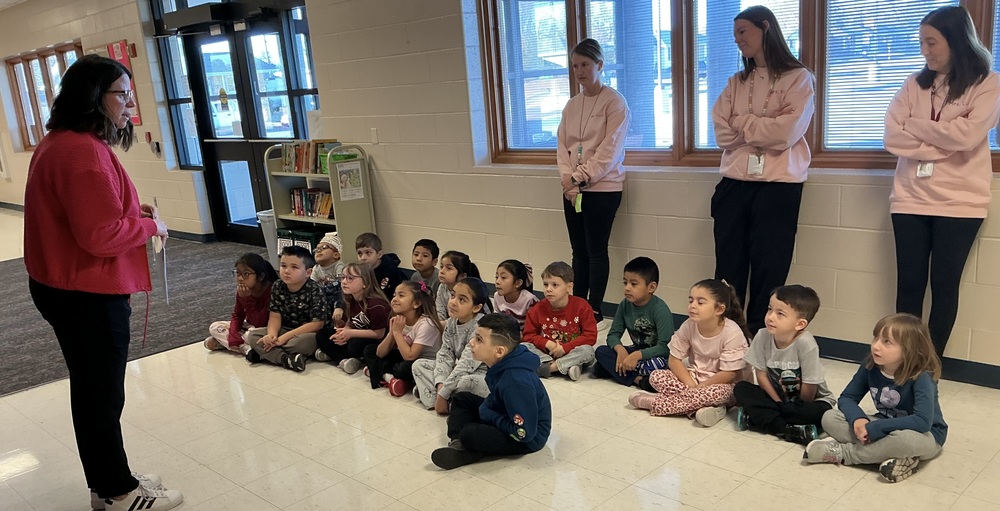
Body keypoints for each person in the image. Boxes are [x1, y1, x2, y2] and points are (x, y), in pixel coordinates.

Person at [24, 55, 183, 510]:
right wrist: (150, 228)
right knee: (101, 395)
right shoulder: (82, 153)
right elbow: (99, 236)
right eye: (121, 94)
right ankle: (118, 492)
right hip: (86, 292)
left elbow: (92, 214)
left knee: (92, 390)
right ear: (93, 97)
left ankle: (108, 481)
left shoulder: (62, 141)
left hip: (64, 286)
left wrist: (134, 213)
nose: (129, 104)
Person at [883, 5, 1000, 359]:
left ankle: (928, 369)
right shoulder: (913, 84)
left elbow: (967, 136)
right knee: (909, 287)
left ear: (956, 40)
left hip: (961, 203)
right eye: (921, 42)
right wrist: (942, 139)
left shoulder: (988, 84)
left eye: (932, 42)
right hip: (910, 199)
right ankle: (899, 362)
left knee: (945, 287)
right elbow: (892, 135)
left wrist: (916, 127)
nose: (925, 50)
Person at [710, 5, 816, 335]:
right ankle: (727, 334)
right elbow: (721, 132)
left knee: (770, 266)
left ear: (765, 27)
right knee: (729, 264)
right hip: (734, 182)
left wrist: (743, 123)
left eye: (743, 31)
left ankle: (759, 334)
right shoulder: (736, 82)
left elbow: (786, 133)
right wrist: (761, 126)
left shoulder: (799, 78)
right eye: (734, 34)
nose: (737, 39)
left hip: (778, 186)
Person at [805, 313, 946, 484]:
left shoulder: (922, 376)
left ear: (909, 349)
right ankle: (894, 457)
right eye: (876, 338)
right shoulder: (870, 365)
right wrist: (859, 420)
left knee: (904, 441)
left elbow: (922, 421)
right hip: (884, 424)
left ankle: (844, 453)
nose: (876, 346)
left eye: (887, 342)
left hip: (925, 434)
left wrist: (877, 428)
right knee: (829, 418)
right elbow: (847, 398)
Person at [556, 38, 631, 324]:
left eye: (585, 64)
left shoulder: (614, 102)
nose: (580, 71)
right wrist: (567, 179)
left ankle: (595, 308)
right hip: (572, 189)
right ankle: (577, 306)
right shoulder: (571, 105)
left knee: (596, 251)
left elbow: (609, 150)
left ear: (600, 65)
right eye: (575, 66)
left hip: (602, 189)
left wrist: (579, 177)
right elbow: (562, 146)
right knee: (579, 252)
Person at [431, 313, 552, 470]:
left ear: (499, 351)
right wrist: (488, 411)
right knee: (461, 399)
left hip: (527, 438)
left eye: (479, 340)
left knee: (469, 433)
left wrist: (489, 414)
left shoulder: (515, 382)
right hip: (507, 414)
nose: (471, 342)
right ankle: (459, 445)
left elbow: (525, 432)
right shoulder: (502, 363)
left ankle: (468, 445)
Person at [628, 279, 750, 428]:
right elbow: (674, 360)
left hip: (723, 385)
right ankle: (711, 409)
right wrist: (691, 384)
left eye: (700, 302)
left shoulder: (732, 333)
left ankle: (656, 403)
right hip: (694, 379)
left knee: (713, 393)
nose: (692, 305)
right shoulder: (689, 325)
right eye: (691, 300)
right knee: (656, 376)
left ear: (719, 309)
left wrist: (702, 387)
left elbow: (729, 374)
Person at [733, 285, 835, 445]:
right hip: (777, 397)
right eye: (769, 309)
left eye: (780, 314)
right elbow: (761, 375)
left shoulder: (806, 343)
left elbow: (810, 386)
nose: (770, 317)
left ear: (800, 324)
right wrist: (779, 403)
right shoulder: (762, 335)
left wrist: (795, 407)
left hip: (807, 401)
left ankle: (761, 420)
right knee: (741, 388)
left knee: (823, 413)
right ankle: (789, 430)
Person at [593, 257, 674, 387]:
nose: (627, 288)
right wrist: (620, 351)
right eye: (625, 283)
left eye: (634, 284)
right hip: (635, 352)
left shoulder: (660, 309)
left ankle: (618, 370)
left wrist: (637, 355)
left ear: (651, 287)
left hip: (655, 356)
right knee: (601, 351)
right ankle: (639, 379)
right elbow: (613, 335)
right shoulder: (624, 305)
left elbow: (665, 347)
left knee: (659, 364)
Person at [245, 246, 329, 372]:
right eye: (283, 266)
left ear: (308, 272)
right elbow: (274, 316)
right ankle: (285, 359)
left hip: (306, 333)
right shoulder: (278, 286)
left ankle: (266, 354)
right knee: (252, 336)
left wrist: (283, 339)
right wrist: (272, 335)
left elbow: (317, 324)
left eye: (294, 267)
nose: (287, 271)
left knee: (300, 344)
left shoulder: (315, 290)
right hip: (284, 330)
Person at [413, 277, 490, 413]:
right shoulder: (451, 322)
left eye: (462, 299)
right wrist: (441, 386)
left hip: (480, 374)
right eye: (453, 295)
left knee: (466, 382)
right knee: (419, 365)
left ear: (476, 307)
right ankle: (443, 401)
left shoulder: (481, 327)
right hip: (458, 370)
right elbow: (445, 354)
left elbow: (467, 364)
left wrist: (443, 392)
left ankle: (441, 400)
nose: (453, 302)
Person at [364, 281, 444, 396]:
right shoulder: (398, 319)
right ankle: (388, 377)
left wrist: (397, 332)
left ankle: (378, 372)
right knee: (370, 350)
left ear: (416, 303)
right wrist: (392, 333)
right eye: (394, 295)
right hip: (408, 357)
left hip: (425, 363)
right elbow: (380, 353)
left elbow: (410, 356)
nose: (395, 299)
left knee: (403, 368)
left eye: (401, 295)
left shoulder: (426, 324)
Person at [522, 261, 598, 381]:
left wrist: (565, 348)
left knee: (588, 351)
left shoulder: (582, 306)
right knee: (523, 347)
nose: (549, 289)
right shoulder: (538, 308)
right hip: (548, 353)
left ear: (569, 287)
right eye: (546, 285)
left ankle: (550, 368)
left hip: (572, 351)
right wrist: (547, 344)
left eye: (555, 285)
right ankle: (568, 367)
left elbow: (590, 336)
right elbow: (528, 335)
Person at [314, 262, 389, 374]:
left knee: (354, 345)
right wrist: (345, 330)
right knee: (322, 334)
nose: (344, 282)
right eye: (343, 277)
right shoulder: (349, 299)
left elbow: (379, 334)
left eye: (350, 278)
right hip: (356, 334)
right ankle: (343, 360)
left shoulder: (377, 304)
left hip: (375, 341)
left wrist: (350, 333)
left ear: (365, 282)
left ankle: (337, 355)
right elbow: (350, 321)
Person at [204, 253, 277, 354]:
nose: (240, 278)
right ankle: (244, 348)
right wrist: (233, 335)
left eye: (246, 274)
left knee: (251, 334)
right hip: (250, 325)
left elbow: (259, 322)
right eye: (237, 273)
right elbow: (238, 315)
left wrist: (247, 299)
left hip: (267, 329)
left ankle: (230, 344)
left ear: (260, 276)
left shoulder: (272, 290)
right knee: (215, 327)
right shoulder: (242, 290)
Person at [355, 232, 406, 299]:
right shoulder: (358, 272)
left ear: (379, 254)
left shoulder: (392, 271)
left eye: (368, 253)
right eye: (359, 253)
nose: (363, 257)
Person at [435, 250, 482, 322]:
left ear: (462, 276)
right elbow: (440, 314)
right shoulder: (442, 287)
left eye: (449, 268)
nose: (442, 271)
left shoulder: (469, 291)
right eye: (441, 267)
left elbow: (462, 318)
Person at [493, 259, 538, 327]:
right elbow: (497, 319)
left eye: (503, 277)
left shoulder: (529, 300)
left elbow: (535, 326)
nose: (497, 281)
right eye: (497, 277)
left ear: (518, 283)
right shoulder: (497, 296)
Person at [311, 232, 345, 311]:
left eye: (324, 247)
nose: (319, 250)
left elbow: (341, 284)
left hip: (337, 296)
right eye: (316, 249)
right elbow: (312, 286)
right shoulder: (316, 268)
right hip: (322, 297)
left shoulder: (338, 266)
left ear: (336, 255)